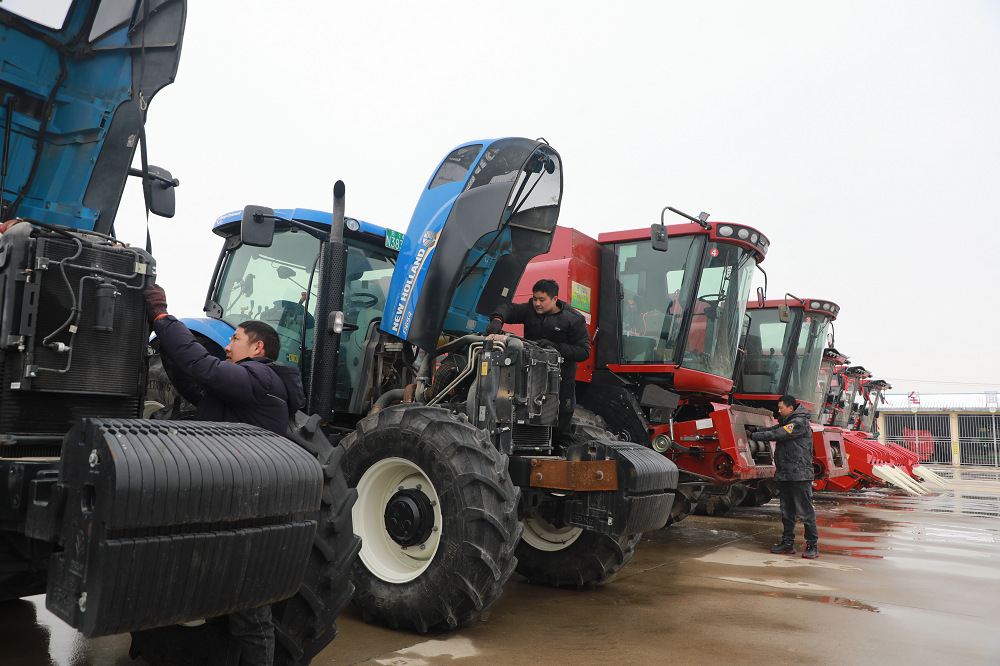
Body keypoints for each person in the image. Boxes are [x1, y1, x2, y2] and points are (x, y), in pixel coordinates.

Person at [144, 283, 305, 665]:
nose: (228, 346)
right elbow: (196, 386)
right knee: (238, 609)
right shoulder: (248, 389)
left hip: (244, 511)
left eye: (235, 339)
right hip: (233, 506)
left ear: (258, 348)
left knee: (250, 614)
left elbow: (204, 367)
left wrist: (163, 318)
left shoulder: (260, 379)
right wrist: (168, 349)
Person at [485, 279, 590, 449]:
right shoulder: (530, 310)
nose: (537, 303)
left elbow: (584, 352)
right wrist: (497, 320)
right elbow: (508, 309)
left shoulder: (573, 319)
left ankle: (562, 452)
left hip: (561, 380)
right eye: (534, 299)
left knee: (562, 424)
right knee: (526, 417)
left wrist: (555, 346)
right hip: (531, 377)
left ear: (554, 299)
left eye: (542, 299)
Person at [749, 394, 819, 559]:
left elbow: (778, 434)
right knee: (787, 512)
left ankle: (812, 546)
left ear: (791, 408)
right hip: (786, 474)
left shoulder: (799, 422)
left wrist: (753, 436)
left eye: (781, 408)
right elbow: (774, 429)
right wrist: (756, 430)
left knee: (805, 512)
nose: (778, 411)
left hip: (799, 475)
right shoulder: (788, 421)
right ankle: (787, 544)